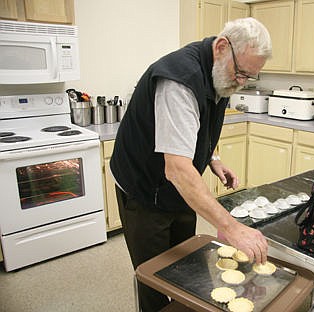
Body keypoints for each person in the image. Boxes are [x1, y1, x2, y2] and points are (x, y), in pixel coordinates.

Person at [110, 17, 272, 311]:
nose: (241, 82)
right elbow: (177, 169)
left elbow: (197, 126)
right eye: (241, 73)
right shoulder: (179, 81)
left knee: (186, 263)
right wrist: (231, 227)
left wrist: (213, 158)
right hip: (144, 187)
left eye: (249, 77)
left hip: (177, 187)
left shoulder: (221, 71)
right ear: (222, 46)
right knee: (155, 276)